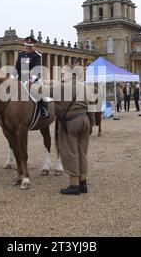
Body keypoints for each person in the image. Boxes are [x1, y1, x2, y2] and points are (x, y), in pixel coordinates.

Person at [55, 65, 93, 195]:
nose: (61, 76)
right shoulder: (84, 86)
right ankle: (83, 183)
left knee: (71, 153)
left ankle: (74, 184)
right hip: (85, 121)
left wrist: (31, 83)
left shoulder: (61, 87)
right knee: (83, 153)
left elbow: (41, 91)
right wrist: (91, 124)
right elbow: (91, 106)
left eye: (63, 73)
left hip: (71, 123)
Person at [15, 36, 49, 118]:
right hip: (21, 78)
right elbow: (17, 67)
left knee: (36, 91)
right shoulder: (20, 54)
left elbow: (37, 68)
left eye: (30, 46)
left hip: (33, 79)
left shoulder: (36, 56)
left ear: (33, 46)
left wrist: (31, 79)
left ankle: (42, 108)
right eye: (27, 46)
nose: (28, 48)